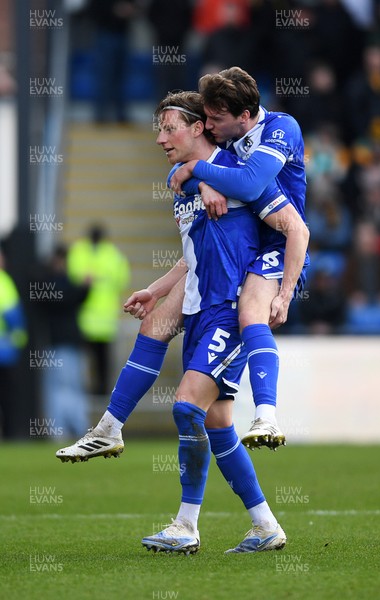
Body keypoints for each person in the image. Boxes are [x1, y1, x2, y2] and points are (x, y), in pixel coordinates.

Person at [59, 91, 289, 554]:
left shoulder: (242, 177)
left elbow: (290, 225)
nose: (161, 139)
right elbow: (192, 254)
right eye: (159, 131)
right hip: (200, 306)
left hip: (232, 308)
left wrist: (280, 294)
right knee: (219, 423)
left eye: (169, 129)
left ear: (200, 127)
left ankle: (184, 524)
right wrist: (158, 288)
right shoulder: (181, 181)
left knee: (186, 406)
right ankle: (265, 526)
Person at [170, 66, 309, 449]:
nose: (209, 126)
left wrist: (197, 169)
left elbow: (249, 183)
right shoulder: (227, 140)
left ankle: (267, 416)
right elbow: (178, 176)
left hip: (281, 245)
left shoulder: (282, 128)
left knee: (250, 311)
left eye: (216, 119)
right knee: (160, 320)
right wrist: (199, 179)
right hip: (242, 248)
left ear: (244, 117)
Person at [67, 224, 131, 396]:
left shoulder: (79, 252)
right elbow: (122, 280)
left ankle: (95, 389)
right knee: (100, 358)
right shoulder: (114, 256)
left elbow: (72, 278)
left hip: (90, 316)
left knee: (93, 357)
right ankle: (99, 389)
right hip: (99, 316)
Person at [38, 245, 90, 437]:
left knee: (69, 387)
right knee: (63, 387)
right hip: (59, 343)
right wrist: (83, 287)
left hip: (66, 343)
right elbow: (65, 298)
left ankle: (73, 427)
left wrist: (85, 288)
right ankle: (63, 428)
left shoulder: (62, 283)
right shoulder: (53, 284)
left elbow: (74, 298)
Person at [0, 249, 27, 438]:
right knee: (7, 396)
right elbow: (13, 317)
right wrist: (18, 342)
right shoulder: (3, 282)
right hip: (4, 351)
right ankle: (10, 433)